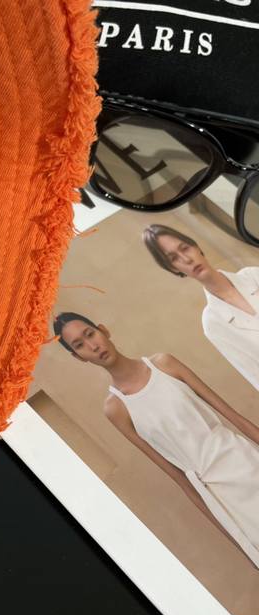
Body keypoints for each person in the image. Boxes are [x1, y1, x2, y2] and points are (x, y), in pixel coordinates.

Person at [53, 311, 259, 568]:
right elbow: (180, 480)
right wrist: (241, 545)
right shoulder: (116, 409)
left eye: (90, 334)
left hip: (245, 460)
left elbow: (234, 416)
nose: (93, 346)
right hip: (221, 496)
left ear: (103, 330)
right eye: (80, 345)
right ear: (78, 357)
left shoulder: (164, 364)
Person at [143, 223, 259, 390]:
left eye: (185, 248)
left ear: (196, 247)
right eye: (174, 258)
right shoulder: (212, 322)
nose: (187, 259)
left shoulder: (253, 275)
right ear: (172, 269)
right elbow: (253, 373)